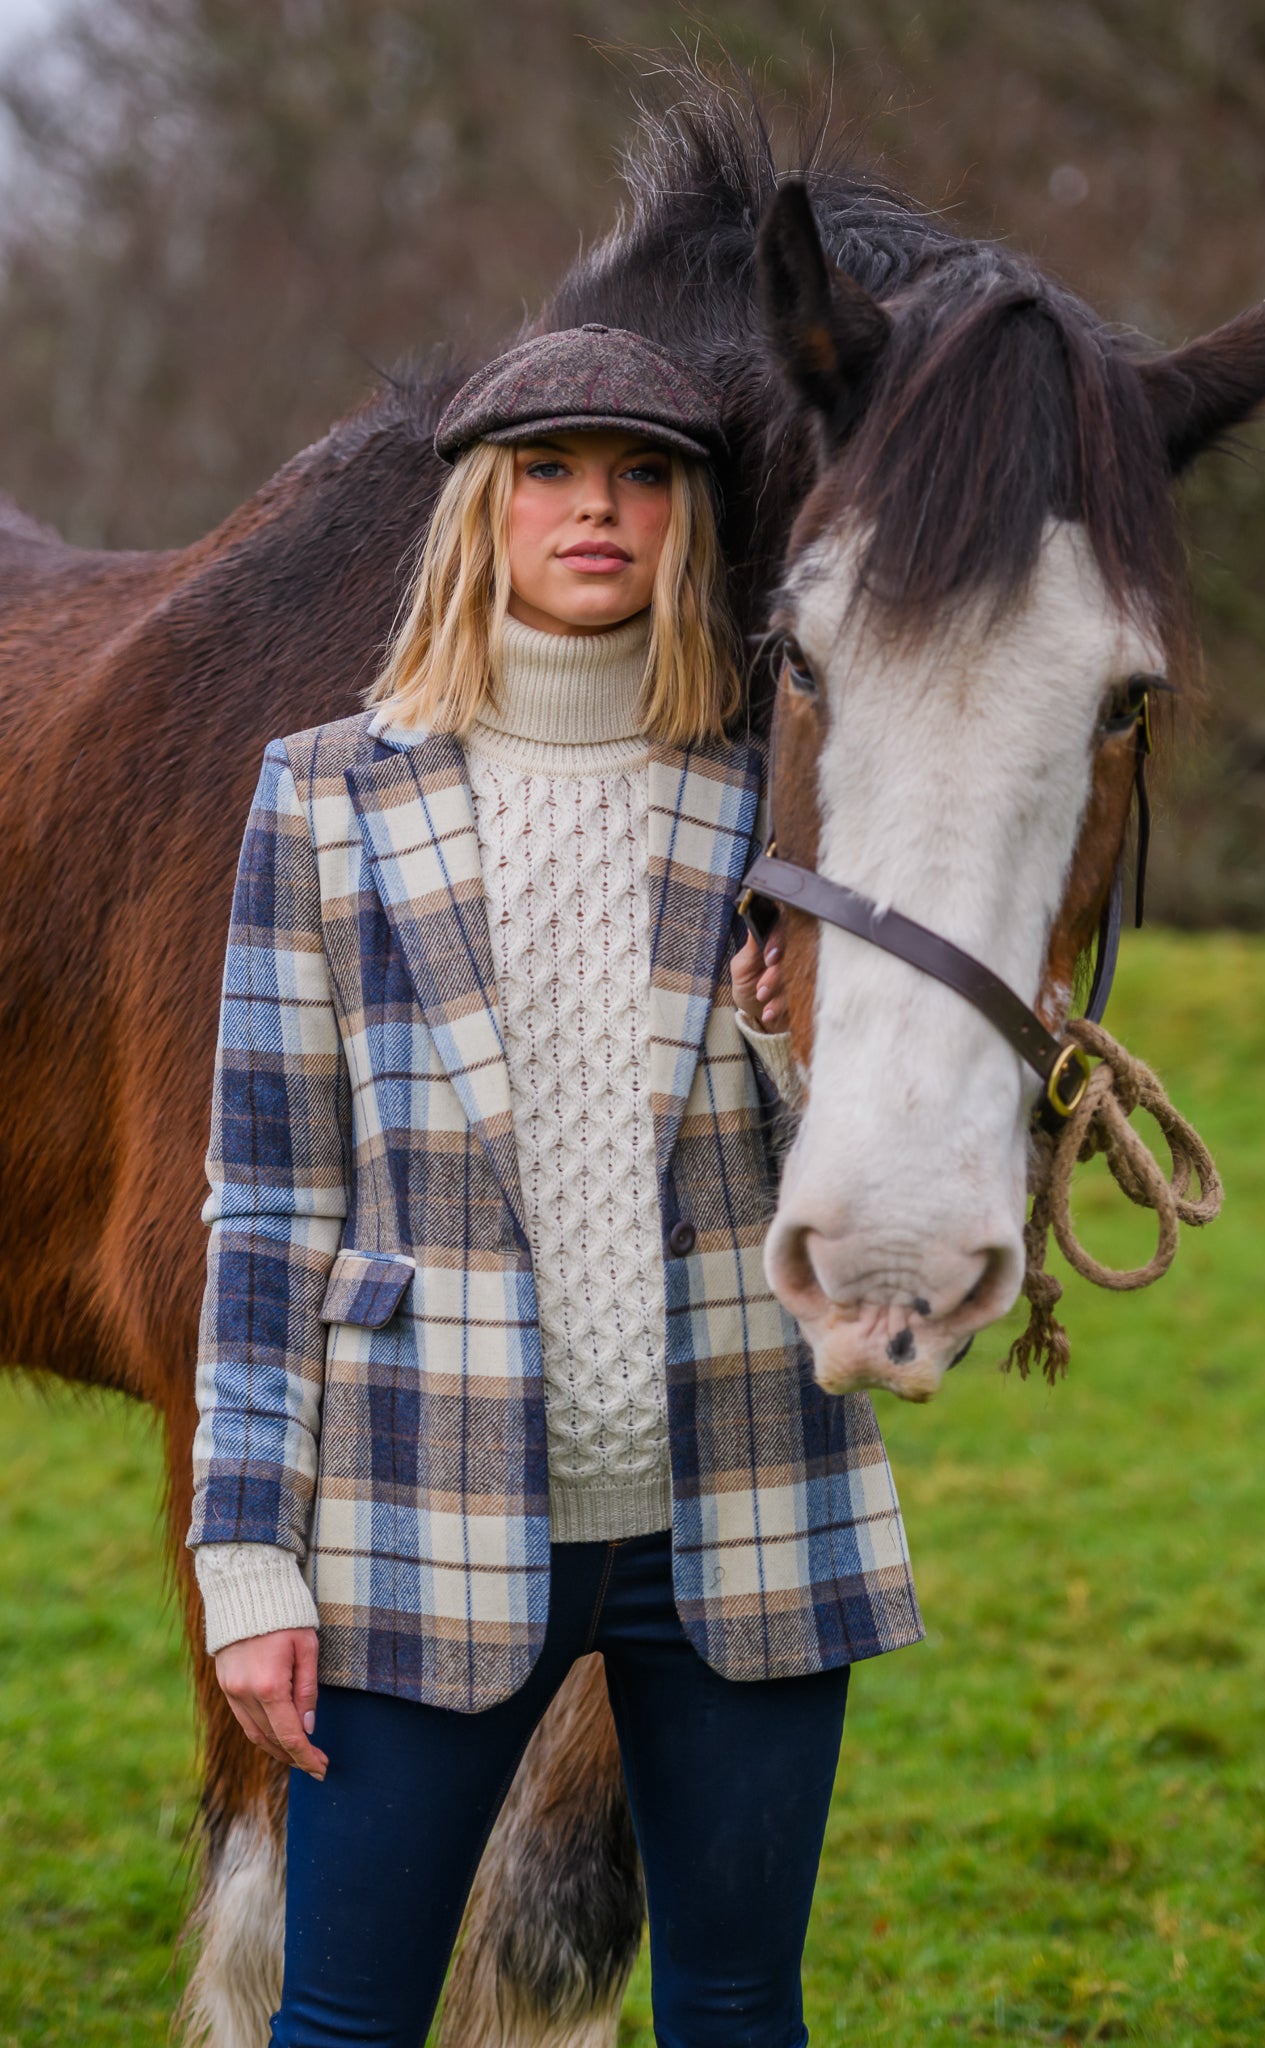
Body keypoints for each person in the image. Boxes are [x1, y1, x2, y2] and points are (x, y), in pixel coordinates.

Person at [186, 322, 923, 2048]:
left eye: (642, 476)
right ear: (478, 511)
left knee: (739, 2009)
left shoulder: (777, 798)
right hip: (410, 1521)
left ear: (690, 521)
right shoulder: (321, 800)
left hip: (739, 1511)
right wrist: (245, 1562)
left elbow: (872, 1167)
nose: (596, 509)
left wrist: (780, 1049)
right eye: (549, 472)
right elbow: (269, 1206)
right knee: (344, 2020)